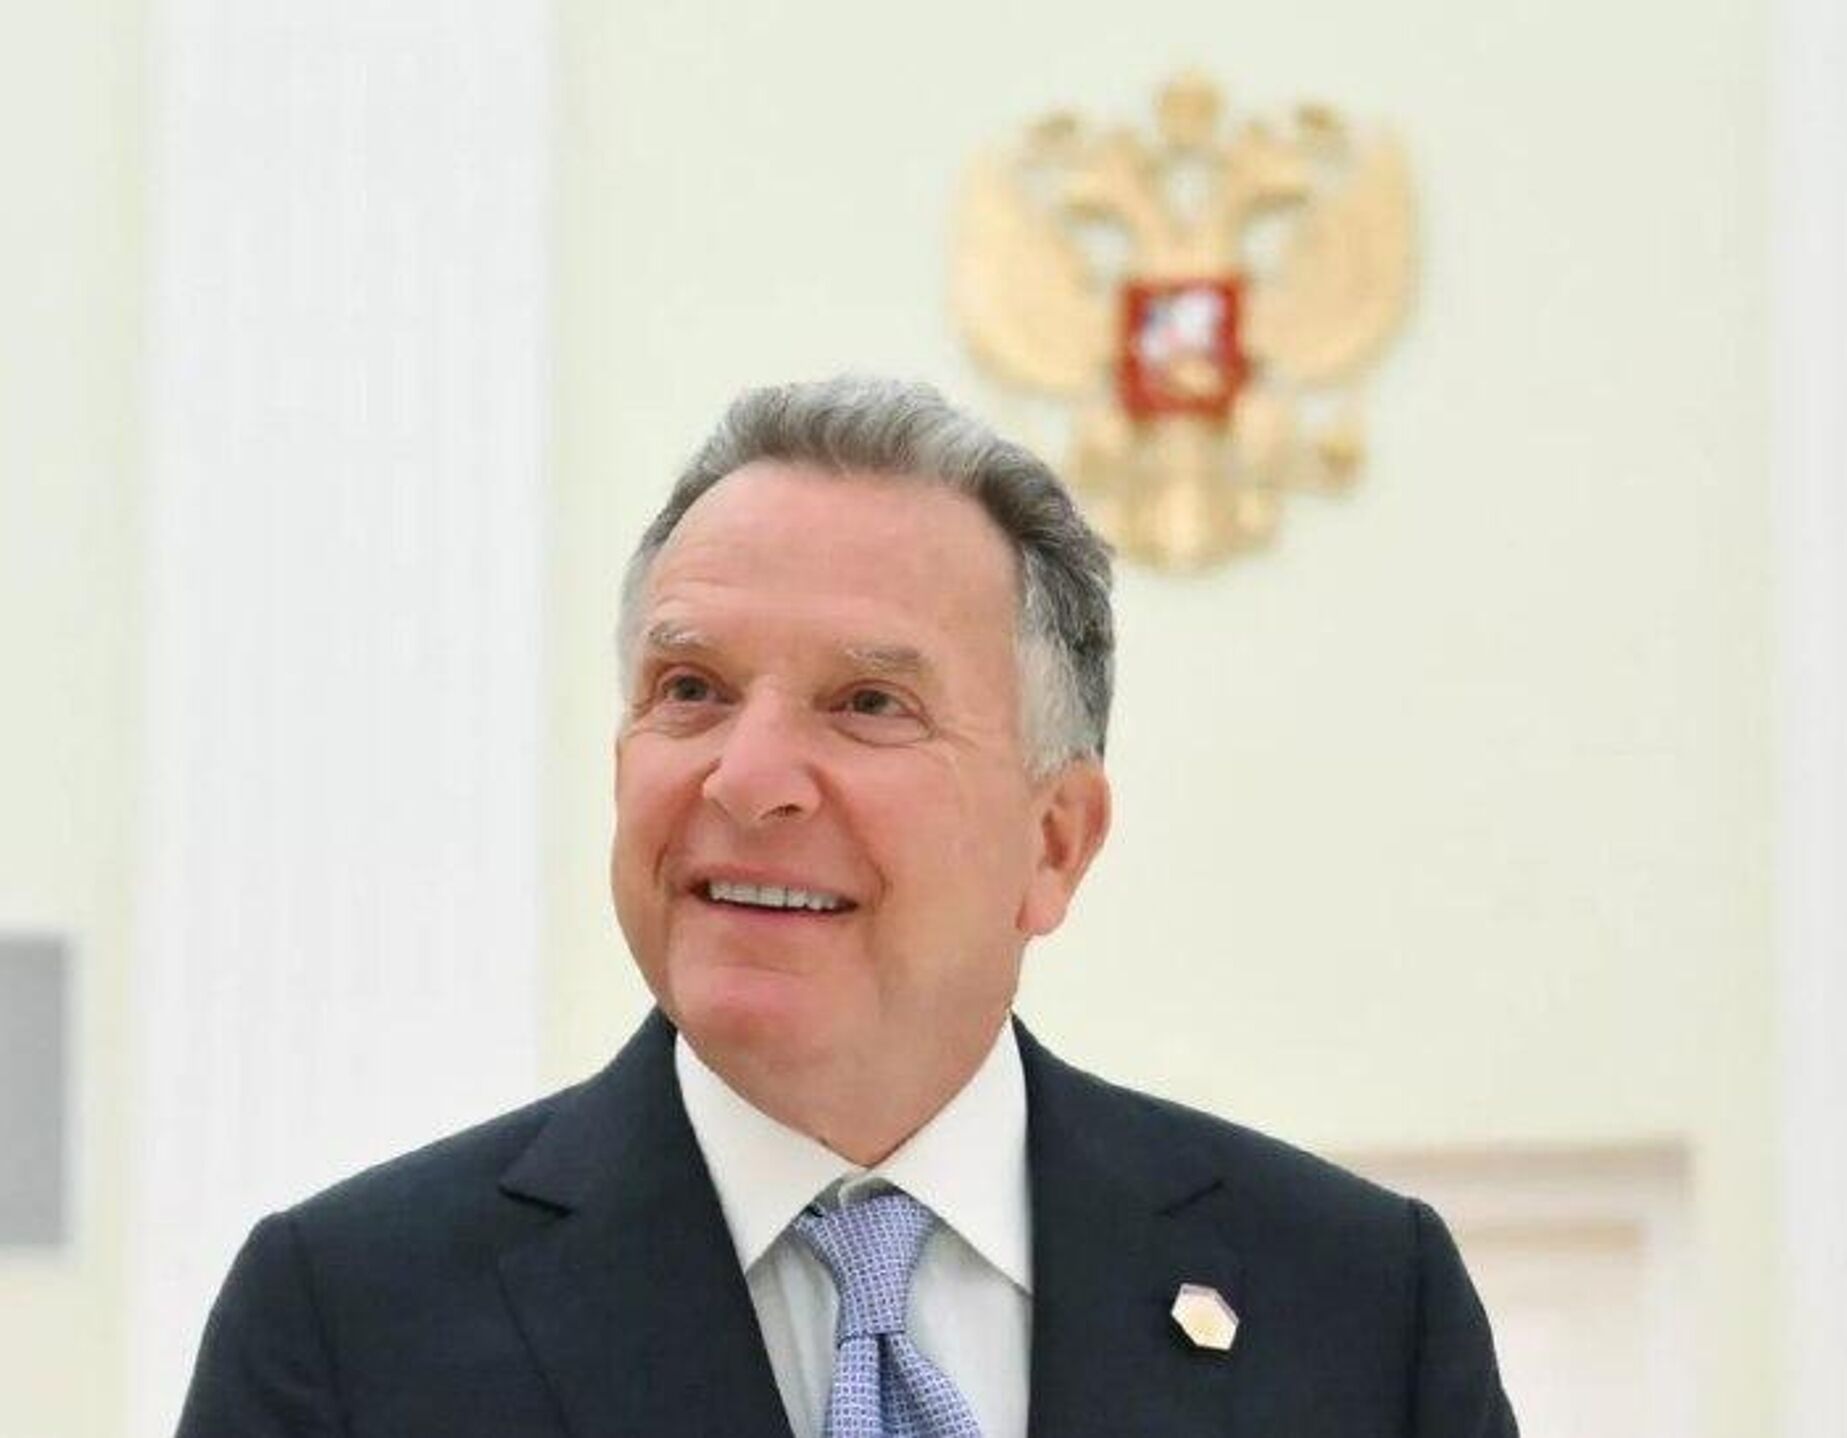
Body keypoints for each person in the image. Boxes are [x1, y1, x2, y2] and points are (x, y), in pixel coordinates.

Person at [177, 377, 1518, 1437]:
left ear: (1055, 842)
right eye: (691, 690)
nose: (746, 777)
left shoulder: (1353, 1304)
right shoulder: (350, 1323)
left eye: (870, 703)